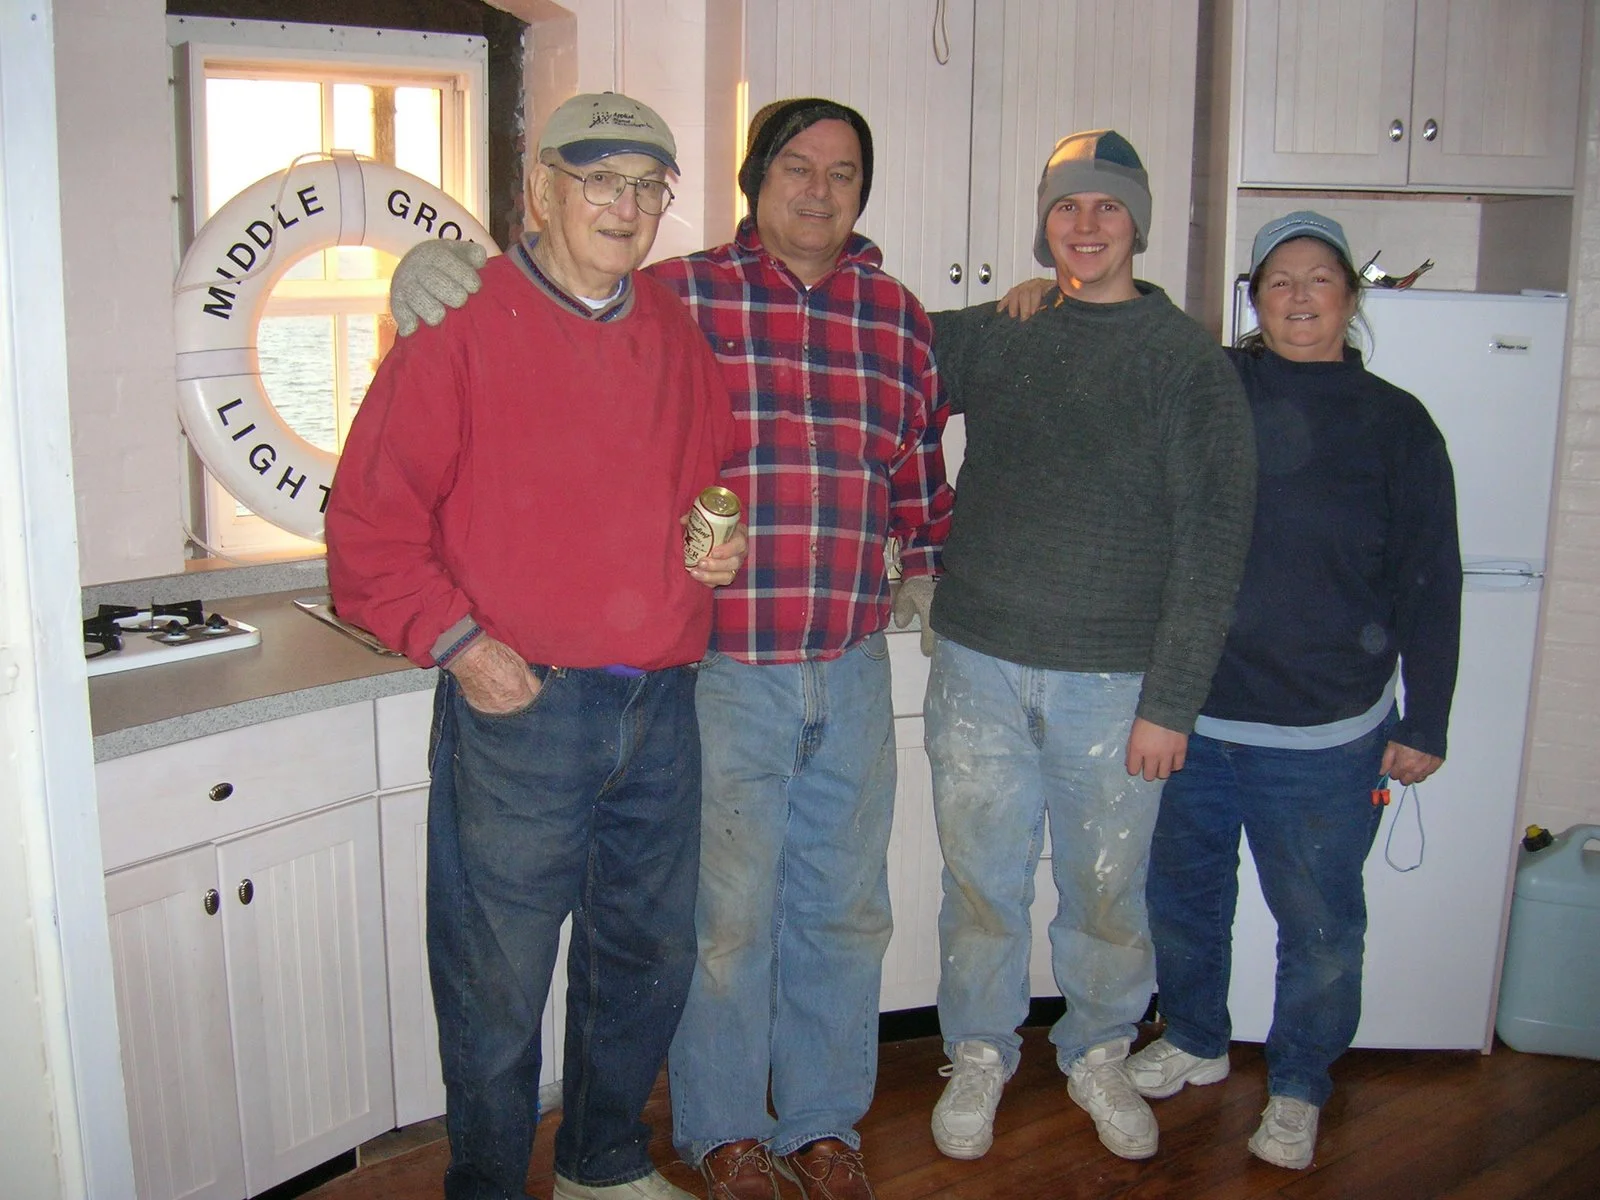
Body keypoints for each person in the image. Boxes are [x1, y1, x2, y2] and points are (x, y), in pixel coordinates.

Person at [388, 96, 954, 1200]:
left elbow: (919, 465)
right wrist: (433, 264)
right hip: (711, 673)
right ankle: (721, 1132)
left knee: (810, 921)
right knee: (692, 933)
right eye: (796, 167)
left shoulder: (899, 316)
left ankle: (805, 1129)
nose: (819, 190)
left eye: (843, 173)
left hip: (827, 663)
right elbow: (552, 286)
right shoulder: (681, 291)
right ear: (753, 181)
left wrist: (924, 562)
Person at [325, 92, 747, 1200]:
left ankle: (601, 1165)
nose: (625, 204)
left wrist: (714, 547)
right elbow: (368, 534)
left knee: (642, 960)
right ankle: (487, 1184)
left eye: (646, 185)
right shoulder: (458, 325)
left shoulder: (673, 324)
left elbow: (706, 474)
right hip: (522, 712)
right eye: (598, 178)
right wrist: (464, 647)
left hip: (661, 707)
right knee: (498, 982)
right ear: (541, 192)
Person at [919, 130, 1256, 1164]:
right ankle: (979, 1050)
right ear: (1045, 222)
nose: (1086, 224)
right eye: (1067, 205)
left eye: (1108, 205)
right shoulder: (1003, 331)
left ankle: (1099, 1048)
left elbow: (1213, 544)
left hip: (1115, 687)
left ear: (1137, 223)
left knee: (1107, 892)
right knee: (980, 881)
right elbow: (872, 343)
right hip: (978, 662)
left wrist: (1171, 702)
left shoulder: (1187, 364)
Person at [1122, 211, 1461, 1169]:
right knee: (1184, 900)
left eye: (1319, 279)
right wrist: (1040, 297)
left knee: (1320, 927)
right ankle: (1195, 1038)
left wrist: (1427, 718)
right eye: (1279, 280)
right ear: (1255, 301)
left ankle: (1301, 1082)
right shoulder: (1213, 387)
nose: (1300, 295)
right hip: (1191, 720)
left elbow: (1432, 578)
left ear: (1350, 299)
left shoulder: (1397, 423)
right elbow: (1125, 343)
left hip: (1327, 735)